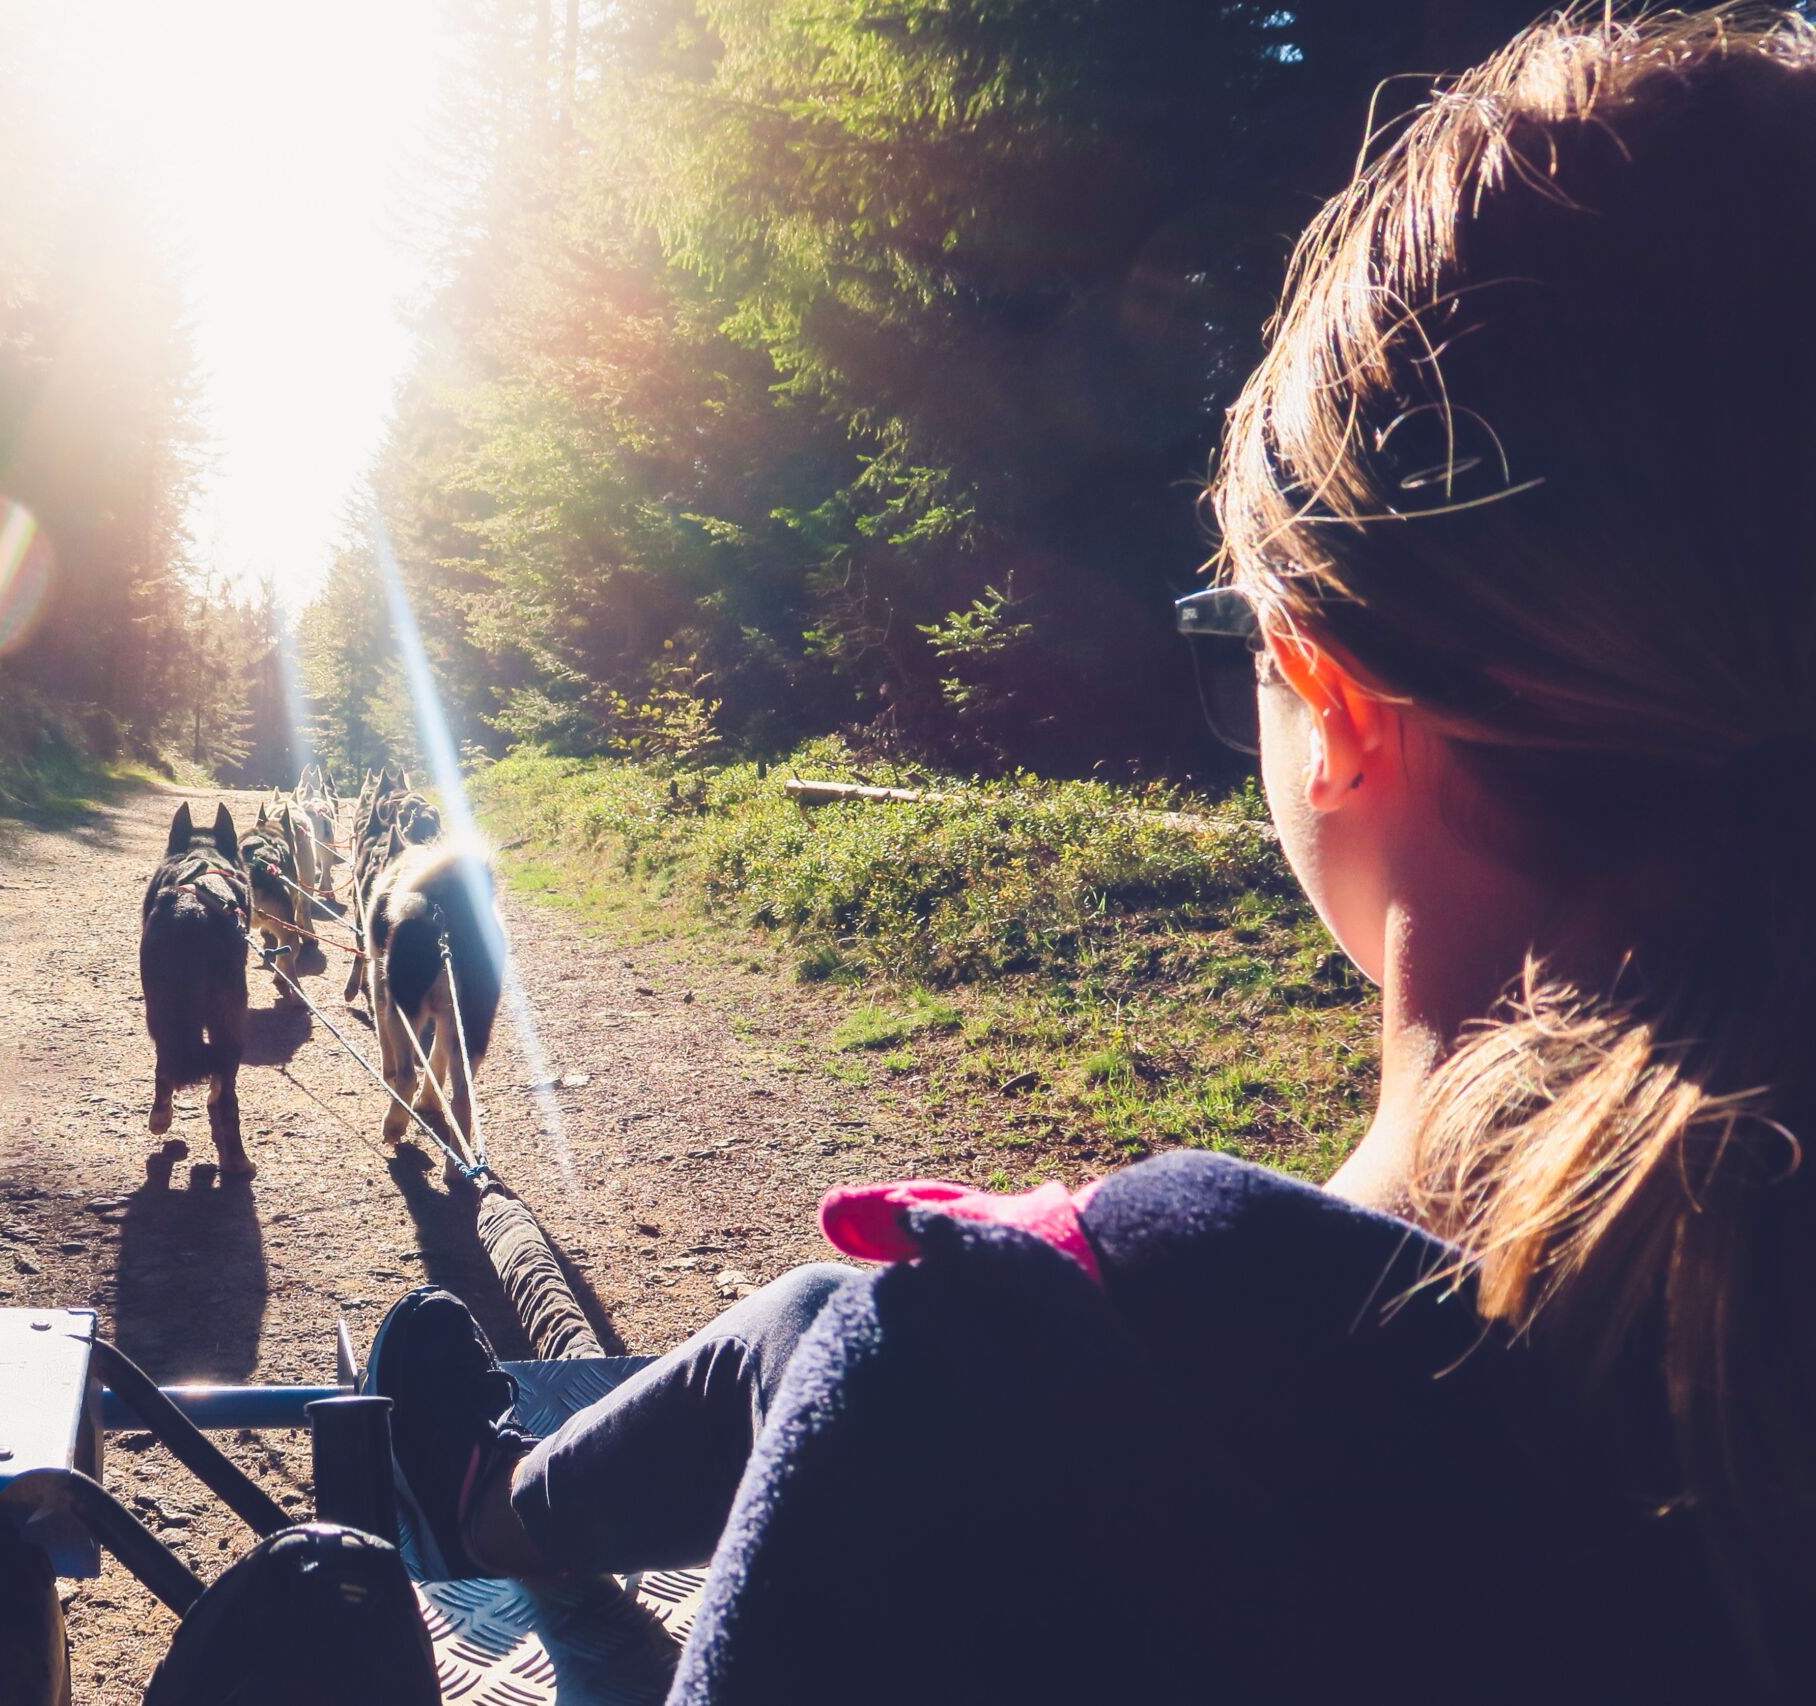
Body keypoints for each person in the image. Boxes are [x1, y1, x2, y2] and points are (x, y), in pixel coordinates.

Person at [361, 10, 1816, 1701]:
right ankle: (499, 1493)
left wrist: (1004, 1306)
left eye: (1240, 649)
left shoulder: (987, 1408)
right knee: (844, 1319)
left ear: (1335, 699)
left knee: (878, 1323)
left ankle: (479, 1498)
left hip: (961, 1368)